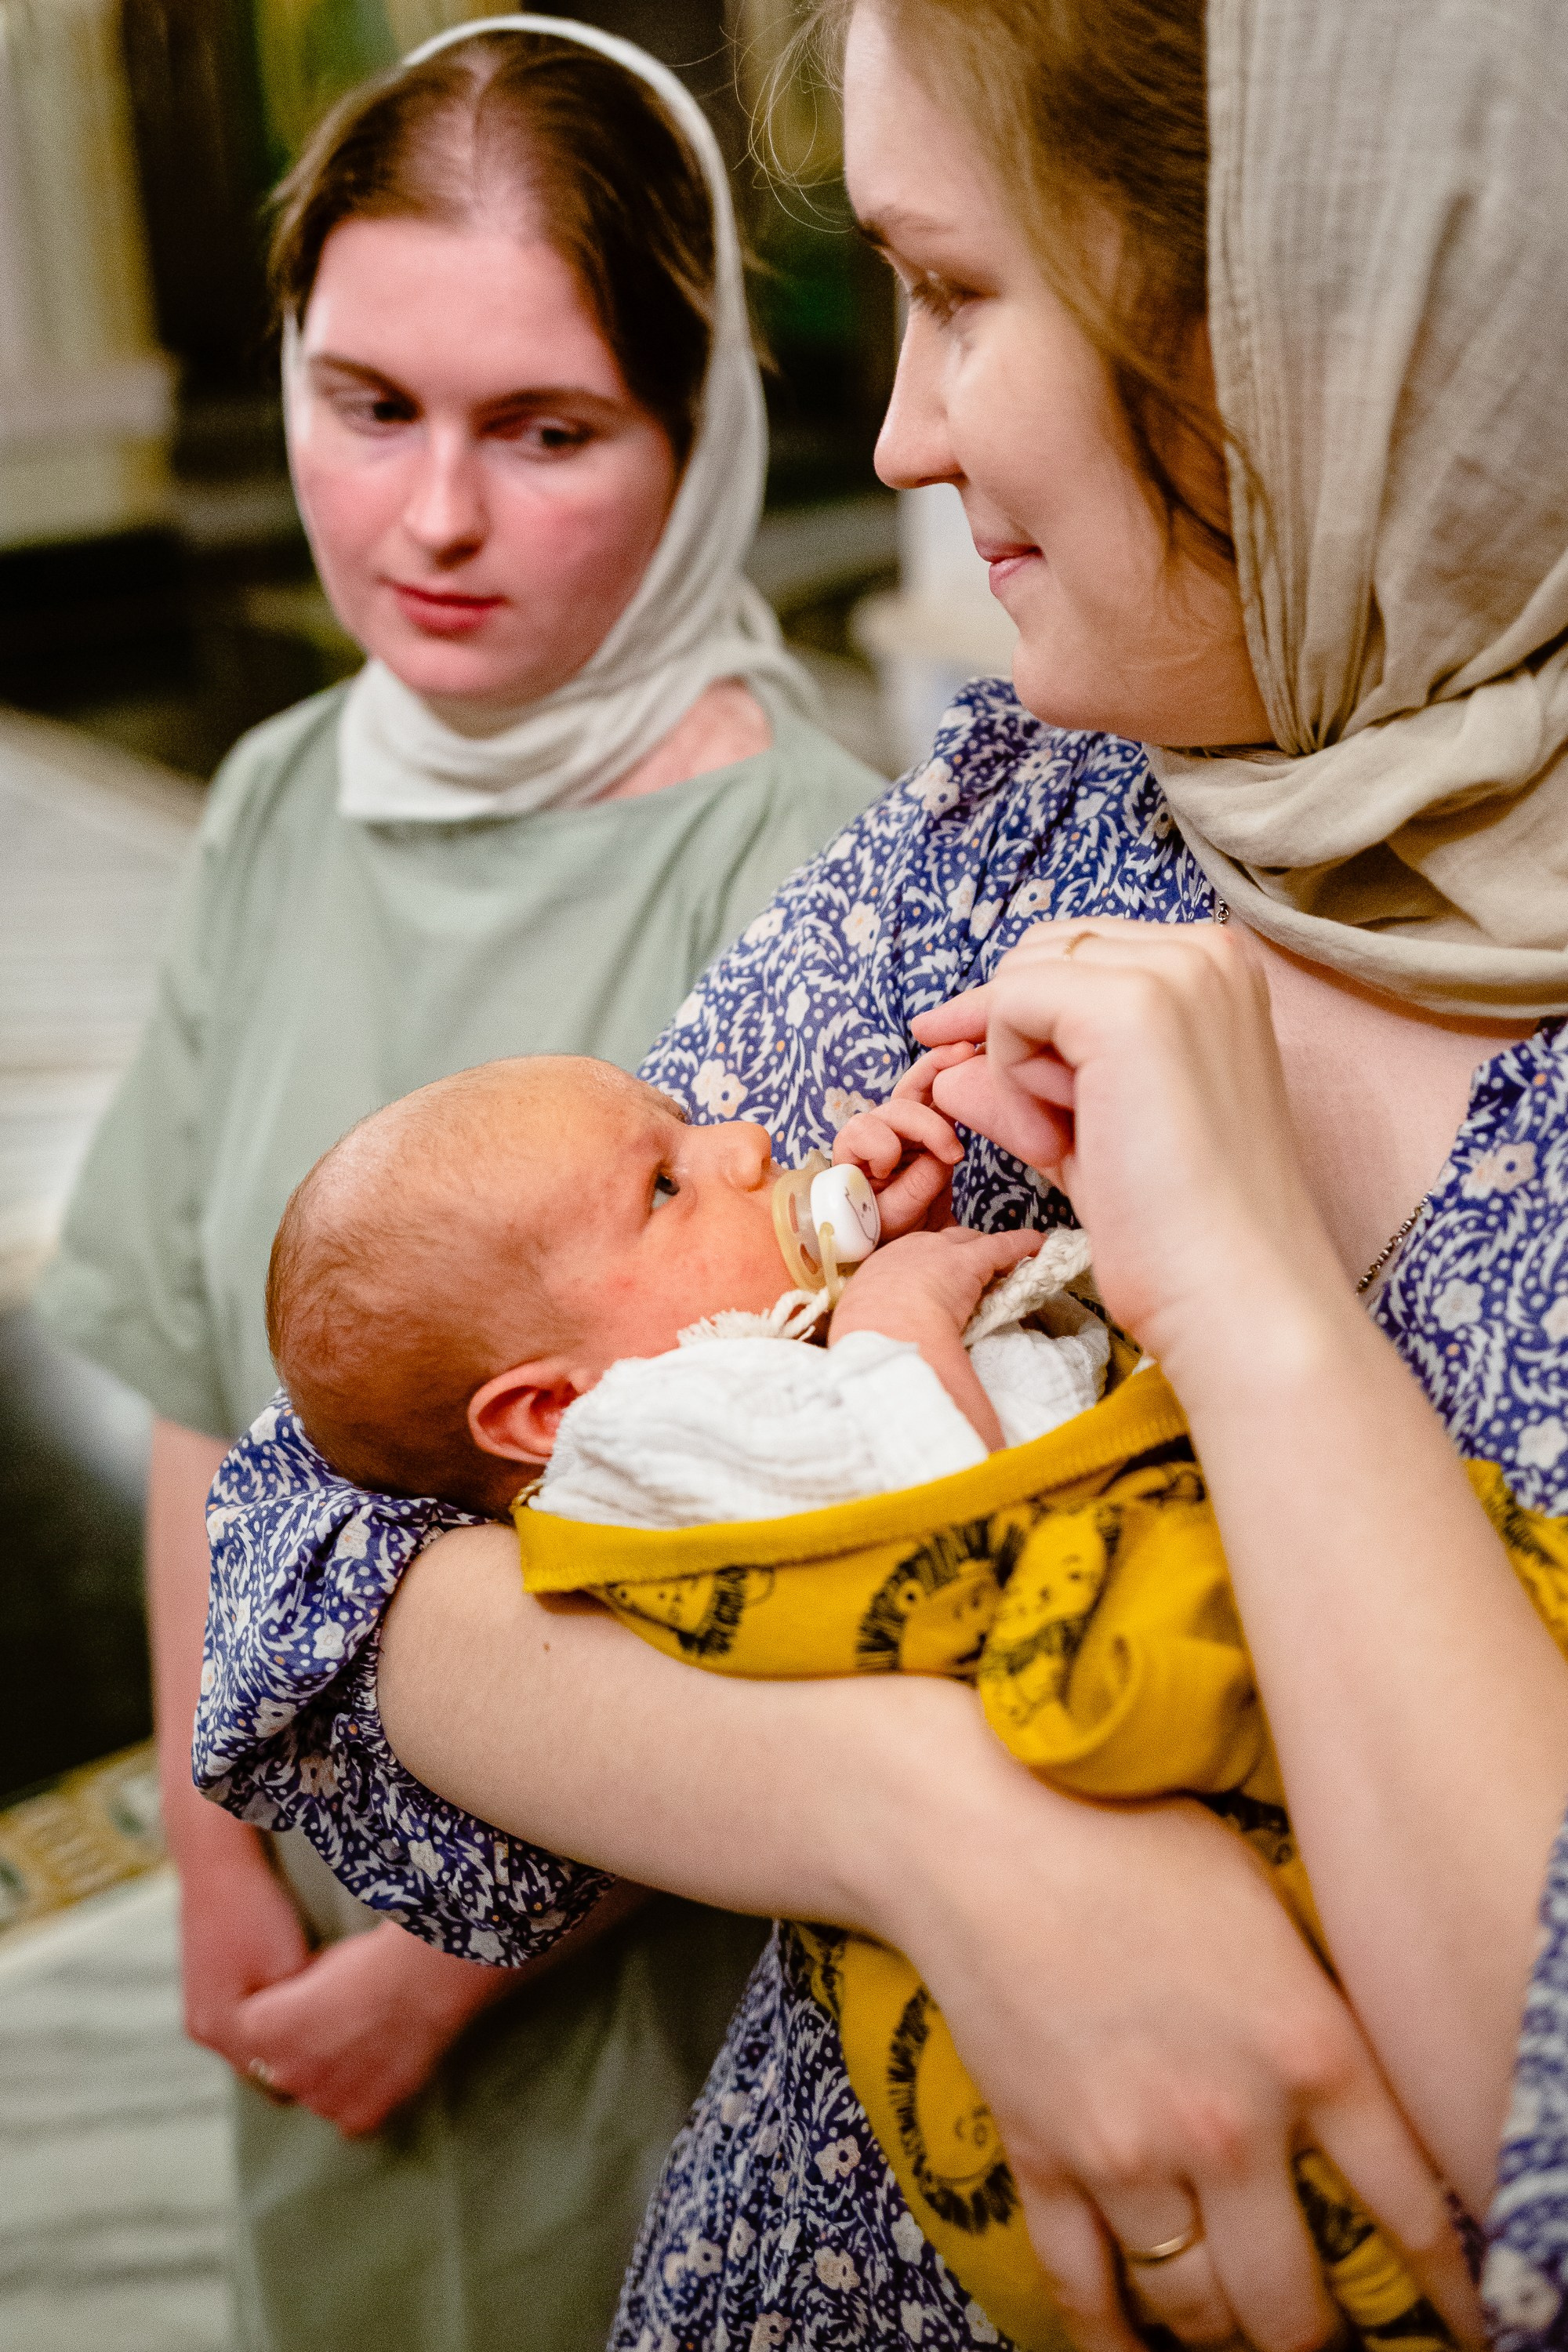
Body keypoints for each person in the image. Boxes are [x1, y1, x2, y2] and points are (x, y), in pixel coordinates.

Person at [180, 0, 1568, 2348]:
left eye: (960, 290)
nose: (905, 436)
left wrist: (1241, 1295)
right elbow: (331, 1542)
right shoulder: (1043, 820)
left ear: (1312, 315)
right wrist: (961, 1833)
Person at [35, 19, 882, 2352]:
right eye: (366, 401)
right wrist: (220, 1854)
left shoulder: (804, 867)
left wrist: (437, 1970)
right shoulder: (284, 793)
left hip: (642, 2020)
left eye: (547, 432)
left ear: (698, 434)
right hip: (296, 1976)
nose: (426, 521)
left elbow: (824, 1557)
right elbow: (209, 1391)